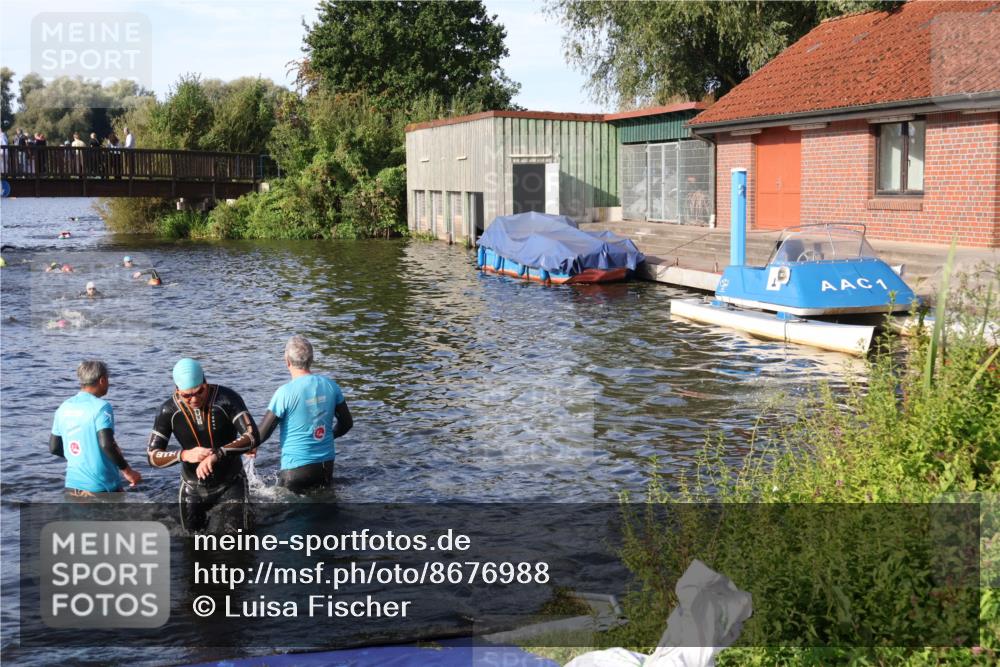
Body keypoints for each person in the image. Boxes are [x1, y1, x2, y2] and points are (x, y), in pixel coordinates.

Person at [146, 358, 260, 532]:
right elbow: (152, 456)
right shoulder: (167, 410)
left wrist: (218, 454)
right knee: (191, 542)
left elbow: (252, 435)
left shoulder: (227, 398)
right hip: (192, 487)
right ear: (177, 391)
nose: (194, 399)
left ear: (206, 383)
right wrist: (184, 455)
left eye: (199, 391)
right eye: (187, 395)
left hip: (231, 482)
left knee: (237, 541)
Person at [258, 335, 353, 494]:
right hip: (326, 468)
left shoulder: (284, 393)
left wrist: (244, 448)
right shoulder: (331, 386)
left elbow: (261, 434)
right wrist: (329, 435)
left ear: (287, 361)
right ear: (312, 359)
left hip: (295, 471)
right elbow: (347, 424)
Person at [50, 360, 142, 496]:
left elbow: (54, 448)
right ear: (102, 380)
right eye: (108, 379)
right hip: (101, 488)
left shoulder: (63, 407)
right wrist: (128, 472)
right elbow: (107, 444)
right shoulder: (102, 407)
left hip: (72, 487)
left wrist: (82, 458)